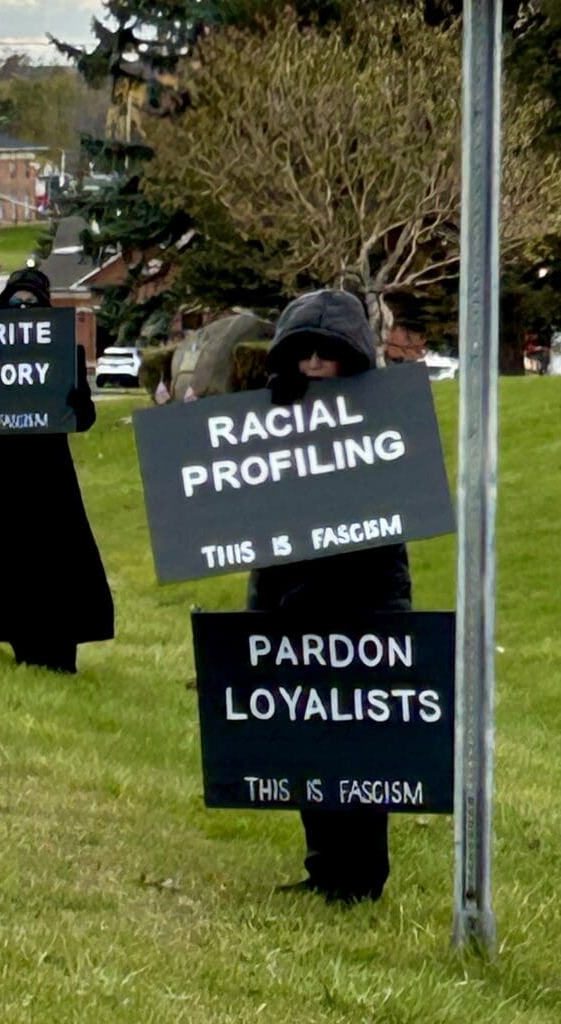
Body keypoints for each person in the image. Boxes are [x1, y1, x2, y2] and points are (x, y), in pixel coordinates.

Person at [247, 288, 412, 902]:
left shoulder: (384, 429)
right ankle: (324, 868)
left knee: (361, 744)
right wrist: (259, 617)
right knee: (306, 741)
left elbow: (382, 538)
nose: (315, 365)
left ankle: (361, 878)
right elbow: (256, 532)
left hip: (363, 609)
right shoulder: (265, 430)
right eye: (304, 353)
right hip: (291, 611)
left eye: (328, 353)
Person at [0, 268, 114, 673]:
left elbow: (84, 419)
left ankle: (59, 648)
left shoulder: (66, 354)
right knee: (4, 557)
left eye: (31, 304)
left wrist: (78, 401)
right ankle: (20, 643)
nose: (23, 310)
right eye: (15, 302)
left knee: (56, 559)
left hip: (48, 471)